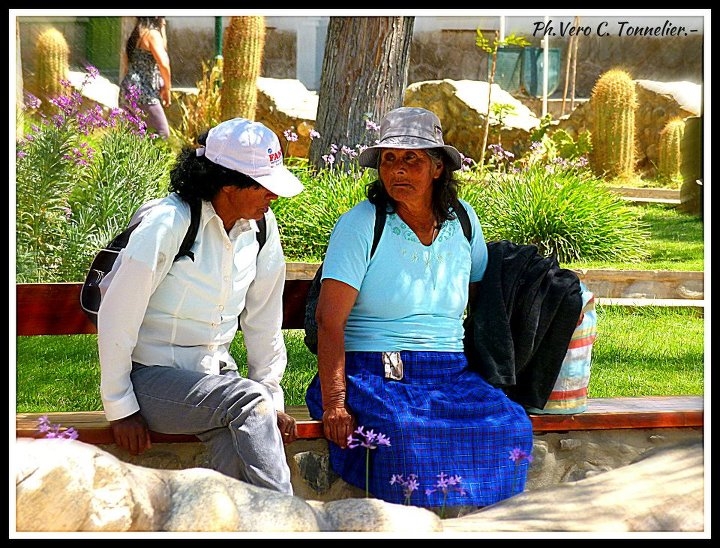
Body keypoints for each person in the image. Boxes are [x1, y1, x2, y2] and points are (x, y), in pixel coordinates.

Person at [305, 106, 534, 510]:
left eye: (412, 159)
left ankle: (476, 527)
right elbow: (328, 319)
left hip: (449, 374)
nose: (397, 170)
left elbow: (476, 288)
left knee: (510, 424)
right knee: (404, 432)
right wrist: (336, 403)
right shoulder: (361, 225)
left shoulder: (463, 220)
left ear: (438, 168)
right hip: (373, 373)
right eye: (389, 159)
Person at [97, 118, 304, 495]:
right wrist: (120, 406)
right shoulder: (169, 221)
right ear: (227, 182)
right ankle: (291, 519)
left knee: (236, 470)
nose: (273, 196)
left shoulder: (262, 227)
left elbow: (264, 321)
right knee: (248, 400)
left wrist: (271, 394)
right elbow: (116, 315)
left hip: (215, 381)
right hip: (151, 377)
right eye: (264, 185)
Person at [119, 16, 172, 138]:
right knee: (162, 133)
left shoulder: (136, 34)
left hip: (128, 89)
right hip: (143, 92)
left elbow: (126, 64)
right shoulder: (152, 34)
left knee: (137, 137)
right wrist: (167, 89)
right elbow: (164, 64)